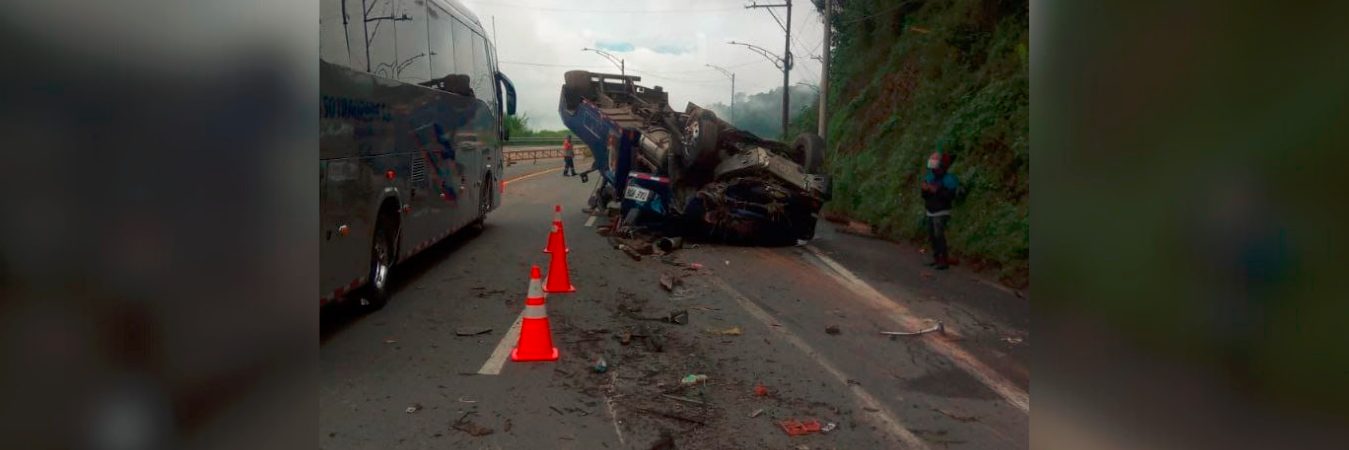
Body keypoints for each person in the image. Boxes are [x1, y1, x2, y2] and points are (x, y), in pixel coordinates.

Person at [920, 149, 959, 270]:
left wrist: (936, 190)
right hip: (931, 209)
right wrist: (925, 190)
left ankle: (943, 260)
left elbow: (950, 196)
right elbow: (924, 195)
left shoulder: (949, 179)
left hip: (942, 210)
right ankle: (936, 257)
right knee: (932, 235)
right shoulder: (930, 177)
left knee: (939, 235)